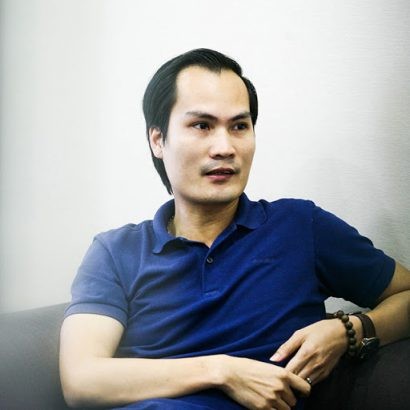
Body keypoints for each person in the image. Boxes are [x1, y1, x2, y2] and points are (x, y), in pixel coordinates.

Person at [59, 48, 410, 410]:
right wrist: (222, 371)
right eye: (202, 125)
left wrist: (348, 330)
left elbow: (406, 294)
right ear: (158, 140)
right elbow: (82, 379)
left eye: (239, 126)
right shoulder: (115, 252)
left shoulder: (299, 226)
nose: (225, 148)